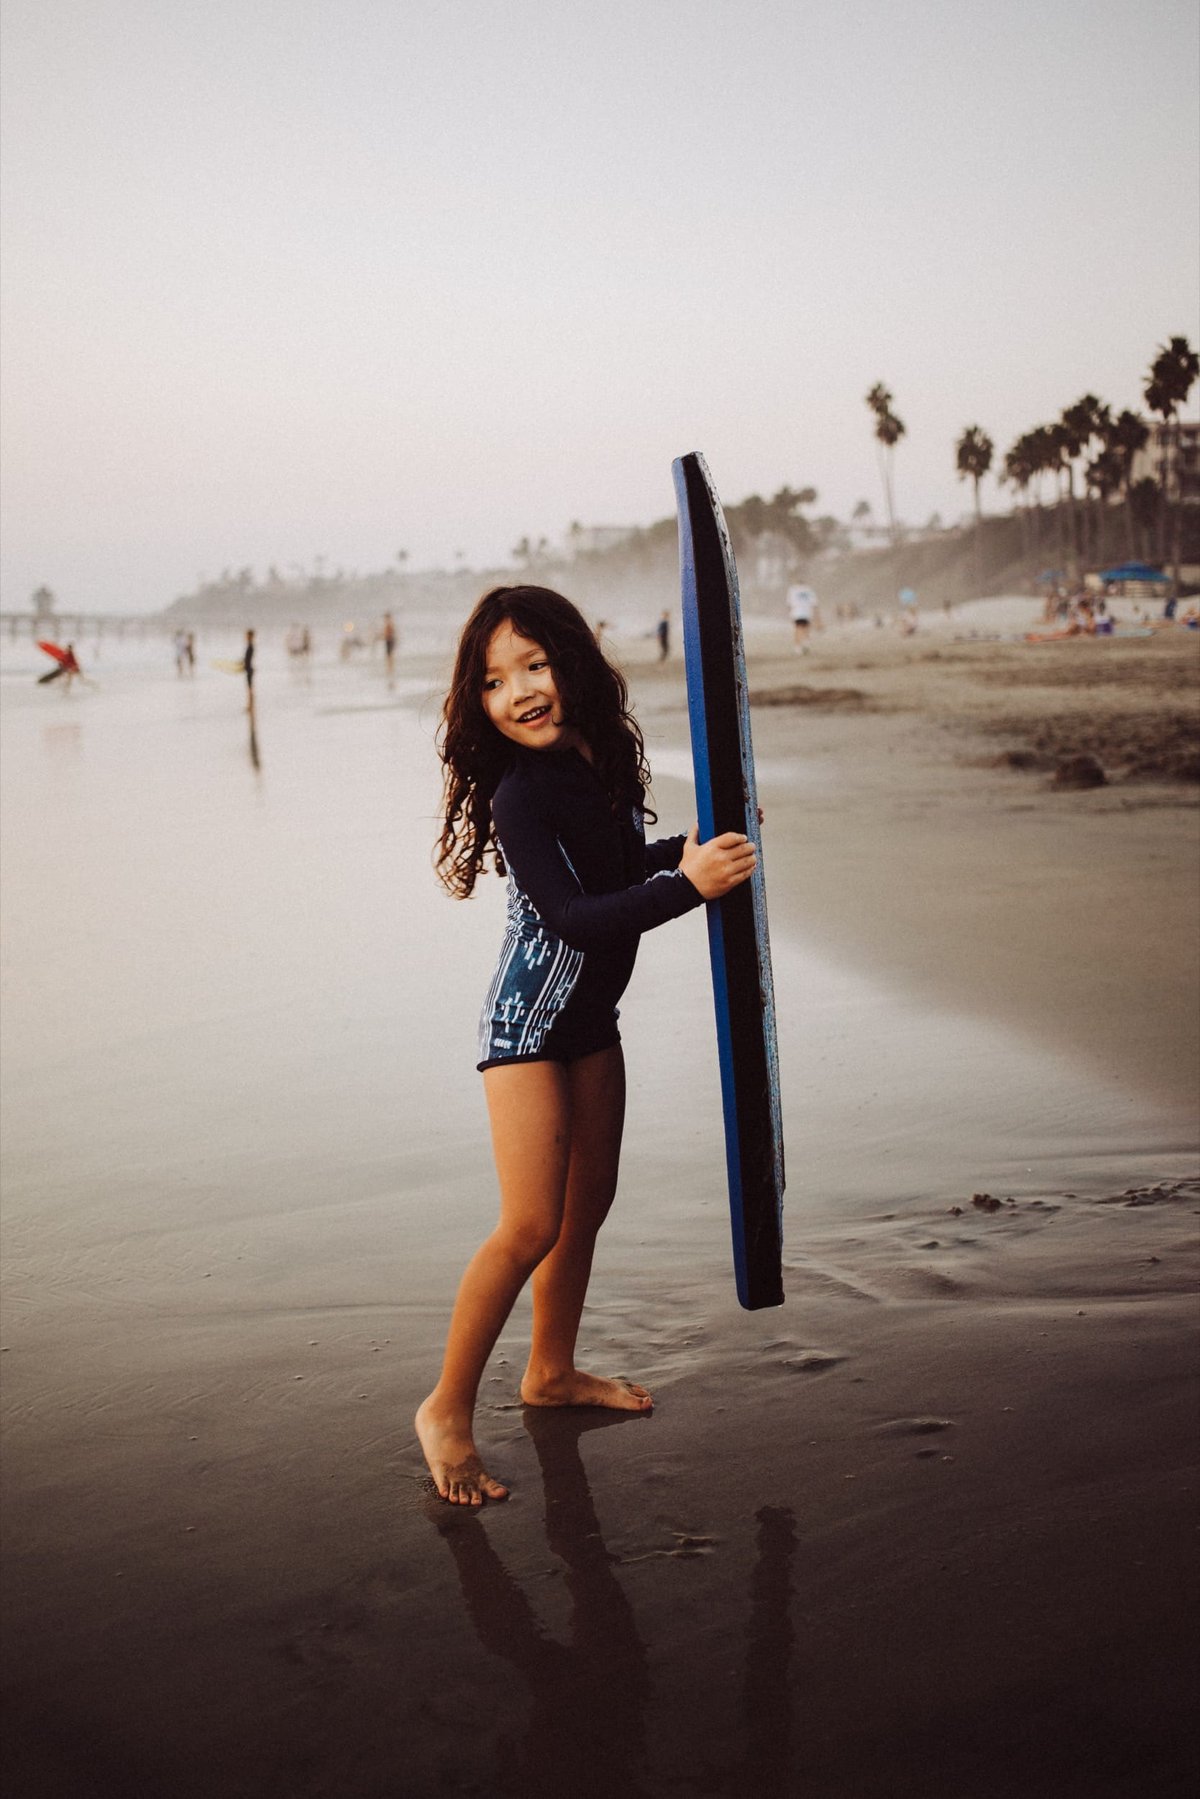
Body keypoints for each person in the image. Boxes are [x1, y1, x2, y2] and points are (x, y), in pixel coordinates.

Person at [415, 585, 757, 1506]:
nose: (519, 689)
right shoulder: (521, 793)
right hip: (527, 1028)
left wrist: (690, 851)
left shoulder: (597, 761)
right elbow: (571, 917)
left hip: (590, 1025)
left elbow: (612, 873)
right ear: (476, 702)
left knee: (585, 1208)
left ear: (573, 662)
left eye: (535, 664)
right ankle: (445, 1408)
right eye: (494, 679)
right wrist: (689, 887)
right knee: (530, 1223)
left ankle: (551, 1371)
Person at [786, 583, 817, 652]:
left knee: (798, 630)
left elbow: (789, 604)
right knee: (806, 629)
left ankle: (798, 647)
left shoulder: (793, 589)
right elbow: (814, 603)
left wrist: (790, 614)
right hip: (806, 613)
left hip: (797, 613)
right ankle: (805, 643)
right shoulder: (809, 590)